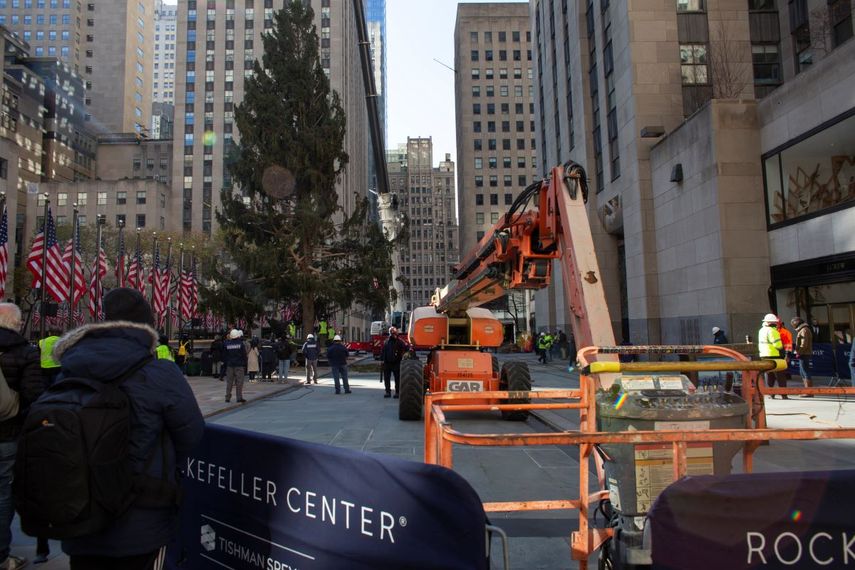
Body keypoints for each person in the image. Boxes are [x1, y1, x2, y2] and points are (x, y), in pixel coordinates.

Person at [51, 288, 204, 569]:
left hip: (79, 510)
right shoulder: (159, 372)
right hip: (141, 513)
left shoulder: (70, 368)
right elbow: (192, 434)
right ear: (146, 327)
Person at [0, 304, 45, 570]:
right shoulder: (25, 352)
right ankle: (2, 556)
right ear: (16, 324)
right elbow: (33, 396)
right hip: (8, 433)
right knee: (3, 493)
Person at [758, 313, 783, 397]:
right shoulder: (773, 331)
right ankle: (783, 393)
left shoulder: (761, 330)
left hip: (763, 355)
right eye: (775, 322)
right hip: (774, 355)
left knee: (769, 375)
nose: (776, 324)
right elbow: (778, 345)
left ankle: (771, 393)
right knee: (780, 375)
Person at [380, 327, 408, 398]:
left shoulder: (400, 342)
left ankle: (397, 392)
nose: (393, 335)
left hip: (397, 363)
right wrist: (382, 360)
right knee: (386, 378)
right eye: (391, 333)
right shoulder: (386, 341)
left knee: (397, 379)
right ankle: (387, 392)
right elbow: (383, 352)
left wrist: (404, 355)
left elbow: (406, 348)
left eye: (394, 333)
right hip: (387, 363)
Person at [768, 321, 791, 399]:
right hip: (772, 355)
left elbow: (788, 344)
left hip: (780, 356)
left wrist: (787, 355)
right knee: (771, 375)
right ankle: (772, 394)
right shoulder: (771, 331)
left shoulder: (785, 332)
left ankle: (783, 394)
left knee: (780, 376)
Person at [791, 317, 814, 398]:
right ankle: (807, 391)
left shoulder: (804, 330)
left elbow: (804, 344)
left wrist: (799, 352)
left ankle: (809, 392)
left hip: (804, 353)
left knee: (805, 372)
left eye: (793, 324)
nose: (793, 326)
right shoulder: (803, 329)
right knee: (802, 372)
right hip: (803, 353)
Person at [223, 329, 248, 403]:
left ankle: (227, 397)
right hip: (239, 365)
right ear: (237, 336)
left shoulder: (227, 344)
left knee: (229, 382)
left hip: (230, 365)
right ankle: (239, 398)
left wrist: (227, 362)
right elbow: (244, 355)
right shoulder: (240, 344)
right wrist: (244, 363)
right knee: (239, 382)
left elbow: (225, 355)